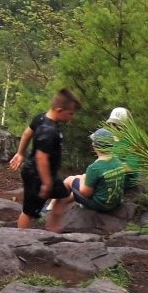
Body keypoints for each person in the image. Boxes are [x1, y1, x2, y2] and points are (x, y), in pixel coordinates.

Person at [9, 88, 81, 231]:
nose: (72, 117)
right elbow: (41, 158)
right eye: (70, 114)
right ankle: (21, 238)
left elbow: (26, 133)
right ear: (59, 110)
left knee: (64, 195)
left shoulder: (41, 118)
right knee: (30, 211)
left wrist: (20, 153)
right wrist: (47, 183)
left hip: (48, 175)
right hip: (36, 175)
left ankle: (52, 225)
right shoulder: (49, 131)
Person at [54, 127, 129, 217]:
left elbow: (85, 192)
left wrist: (83, 179)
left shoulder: (94, 168)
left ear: (94, 146)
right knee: (81, 179)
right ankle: (58, 207)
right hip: (115, 203)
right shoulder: (118, 161)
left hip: (101, 206)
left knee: (69, 180)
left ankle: (54, 208)